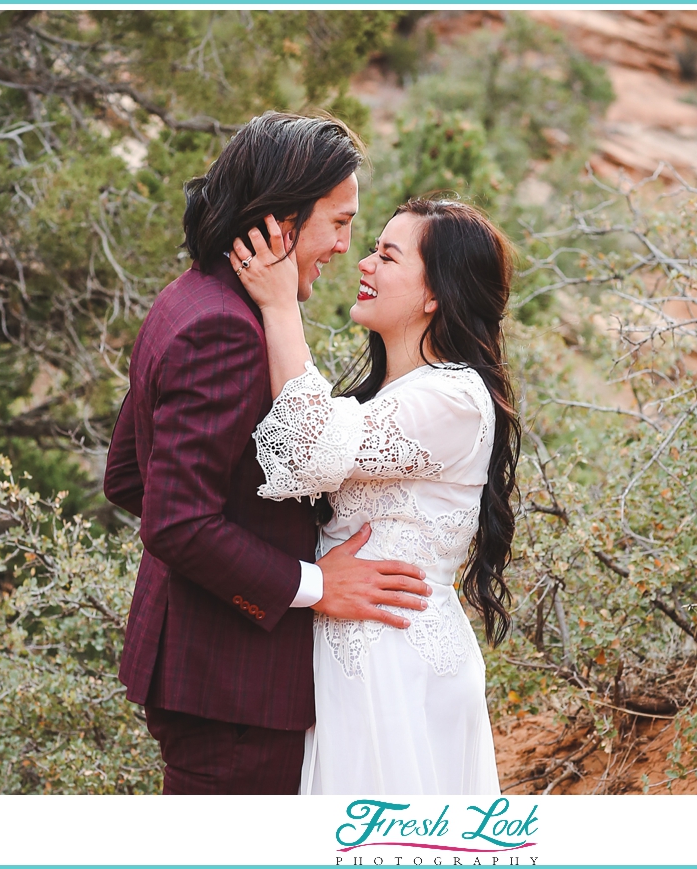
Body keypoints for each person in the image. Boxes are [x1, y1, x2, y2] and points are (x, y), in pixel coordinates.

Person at [103, 112, 432, 795]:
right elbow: (174, 521)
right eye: (338, 223)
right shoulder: (224, 330)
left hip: (208, 677)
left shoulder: (187, 300)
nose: (345, 246)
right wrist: (314, 583)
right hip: (234, 690)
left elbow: (129, 478)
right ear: (282, 223)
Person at [230, 198, 520, 794]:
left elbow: (305, 452)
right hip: (354, 657)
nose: (363, 263)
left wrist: (281, 305)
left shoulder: (455, 399)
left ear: (435, 295)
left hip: (397, 662)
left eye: (387, 256)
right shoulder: (391, 397)